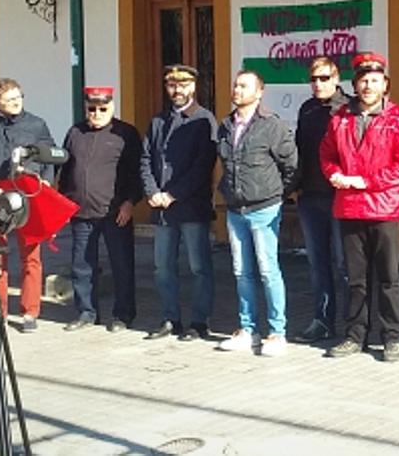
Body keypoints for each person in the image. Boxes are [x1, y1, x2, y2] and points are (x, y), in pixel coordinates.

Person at [322, 52, 399, 363]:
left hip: (384, 208)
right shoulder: (340, 118)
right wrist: (334, 174)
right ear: (355, 84)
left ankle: (391, 338)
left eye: (374, 80)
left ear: (385, 84)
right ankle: (354, 335)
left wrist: (365, 181)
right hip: (349, 208)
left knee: (389, 277)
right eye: (363, 80)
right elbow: (327, 154)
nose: (368, 85)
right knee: (356, 279)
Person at [215, 69, 298, 356]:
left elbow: (291, 165)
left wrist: (277, 194)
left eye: (244, 86)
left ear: (259, 92)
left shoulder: (271, 125)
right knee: (241, 272)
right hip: (235, 208)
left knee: (267, 270)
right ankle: (247, 329)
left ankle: (277, 333)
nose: (237, 90)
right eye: (235, 85)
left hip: (264, 208)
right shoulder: (225, 125)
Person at [0, 77, 55, 332]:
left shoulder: (37, 125)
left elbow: (49, 158)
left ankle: (30, 312)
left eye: (19, 98)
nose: (16, 103)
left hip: (28, 196)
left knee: (31, 256)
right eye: (9, 100)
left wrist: (46, 182)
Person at [141, 64, 219, 341]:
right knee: (163, 267)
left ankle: (199, 322)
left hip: (191, 206)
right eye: (172, 85)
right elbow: (146, 158)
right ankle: (170, 318)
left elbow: (203, 166)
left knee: (199, 267)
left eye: (183, 84)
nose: (177, 90)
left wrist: (173, 195)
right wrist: (152, 191)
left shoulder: (204, 119)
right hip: (162, 209)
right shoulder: (158, 121)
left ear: (193, 86)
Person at [58, 86, 143, 333]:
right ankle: (86, 312)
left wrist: (130, 202)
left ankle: (123, 315)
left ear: (112, 107)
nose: (96, 113)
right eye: (91, 109)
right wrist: (63, 201)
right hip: (81, 212)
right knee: (82, 266)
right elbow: (65, 170)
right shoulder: (75, 132)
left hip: (115, 212)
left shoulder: (124, 133)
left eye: (102, 109)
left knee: (122, 266)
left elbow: (136, 173)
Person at [292, 56, 350, 343]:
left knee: (345, 264)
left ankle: (353, 326)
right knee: (318, 264)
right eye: (313, 79)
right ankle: (322, 320)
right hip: (310, 197)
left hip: (340, 197)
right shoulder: (307, 109)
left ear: (336, 79)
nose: (318, 84)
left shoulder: (348, 109)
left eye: (324, 78)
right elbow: (299, 150)